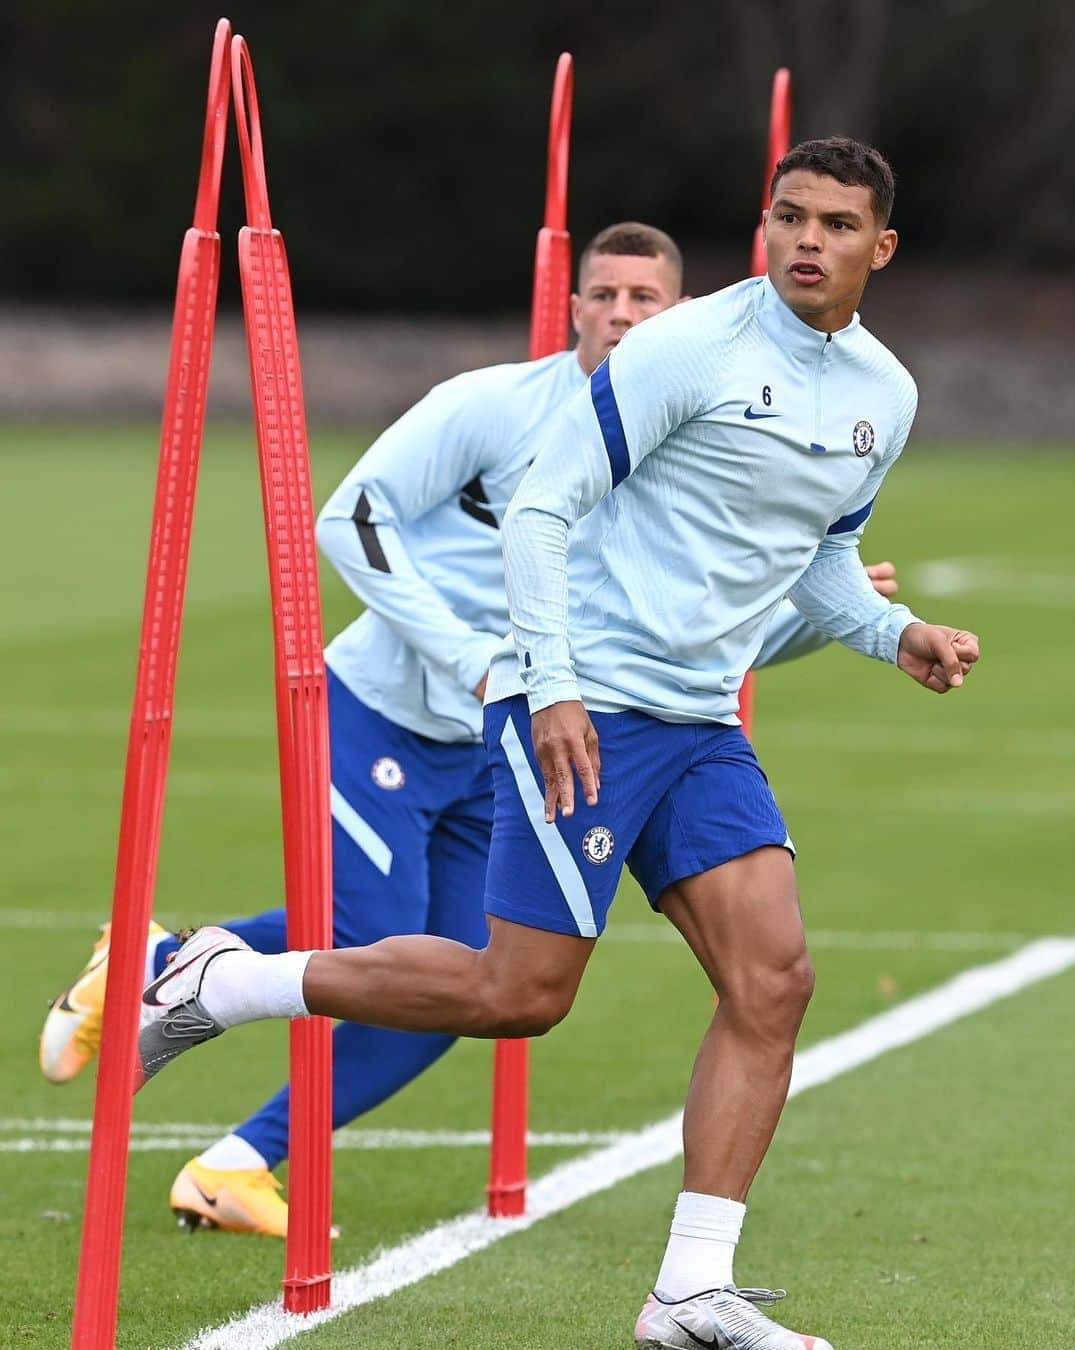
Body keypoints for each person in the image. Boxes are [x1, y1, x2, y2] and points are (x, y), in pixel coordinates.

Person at [134, 139, 979, 1347]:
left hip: (696, 718)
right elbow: (543, 505)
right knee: (517, 994)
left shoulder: (882, 396)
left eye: (837, 225)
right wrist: (551, 682)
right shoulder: (690, 345)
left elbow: (823, 557)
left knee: (774, 979)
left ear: (880, 248)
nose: (808, 241)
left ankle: (690, 1293)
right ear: (763, 228)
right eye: (789, 217)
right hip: (581, 700)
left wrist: (893, 632)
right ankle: (223, 981)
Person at [41, 219, 893, 1242]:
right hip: (379, 713)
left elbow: (690, 645)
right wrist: (469, 659)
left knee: (460, 982)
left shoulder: (686, 438)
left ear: (682, 317)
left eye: (645, 299)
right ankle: (170, 959)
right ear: (573, 304)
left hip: (512, 750)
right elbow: (351, 518)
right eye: (604, 294)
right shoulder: (495, 404)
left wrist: (835, 617)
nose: (622, 313)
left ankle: (233, 1161)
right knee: (371, 934)